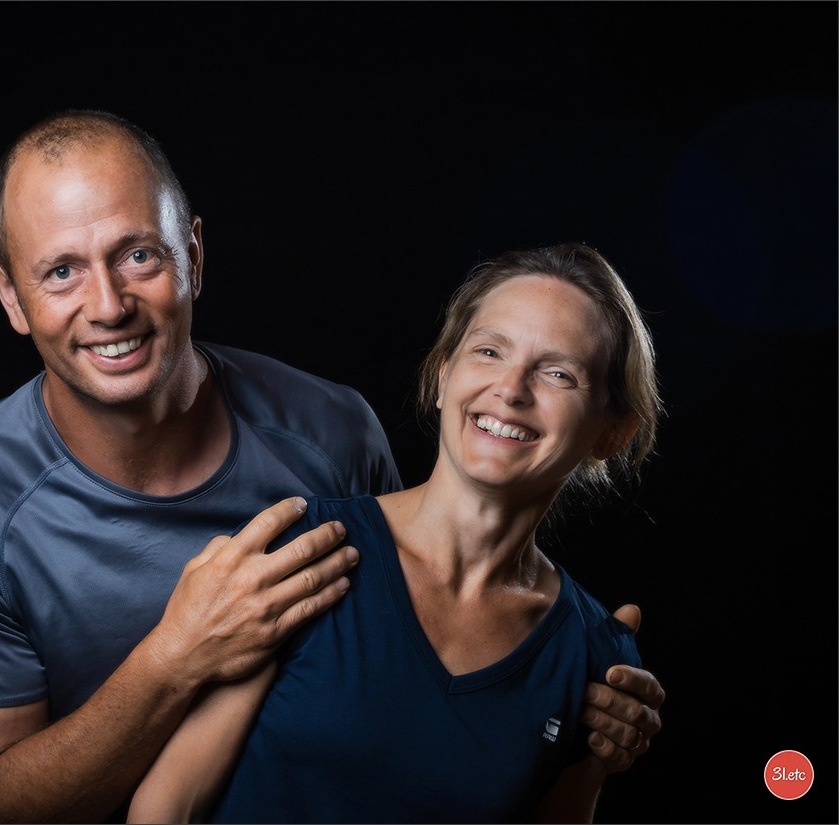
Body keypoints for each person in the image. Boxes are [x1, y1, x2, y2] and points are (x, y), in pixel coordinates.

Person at [0, 110, 665, 823]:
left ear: (192, 255)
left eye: (137, 254)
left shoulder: (329, 439)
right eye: (60, 271)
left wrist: (572, 714)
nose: (107, 304)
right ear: (11, 295)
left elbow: (407, 660)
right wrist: (174, 658)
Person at [128, 242, 663, 824]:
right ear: (442, 377)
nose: (511, 390)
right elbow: (167, 807)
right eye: (488, 351)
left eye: (558, 373)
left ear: (612, 434)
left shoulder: (594, 659)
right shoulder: (305, 550)